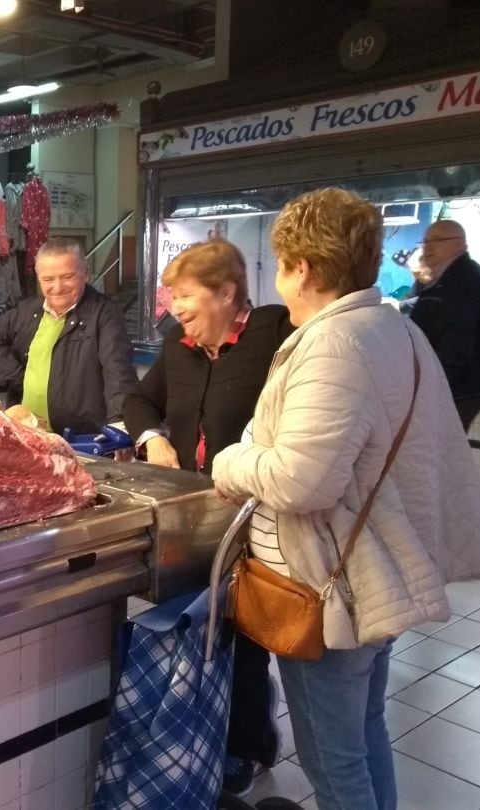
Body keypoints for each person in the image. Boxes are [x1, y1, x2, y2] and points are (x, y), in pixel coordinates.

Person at [212, 188, 480, 810]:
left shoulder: (333, 344)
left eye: (281, 264)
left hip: (331, 586)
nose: (278, 280)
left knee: (331, 758)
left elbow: (301, 480)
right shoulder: (394, 328)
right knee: (364, 734)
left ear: (302, 267)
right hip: (376, 568)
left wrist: (231, 459)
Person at [122, 238, 292, 796]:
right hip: (194, 513)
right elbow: (139, 402)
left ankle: (245, 743)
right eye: (172, 296)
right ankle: (206, 727)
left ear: (226, 292)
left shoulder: (275, 335)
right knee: (204, 627)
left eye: (185, 296)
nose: (175, 308)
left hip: (256, 513)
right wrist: (152, 438)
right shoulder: (180, 345)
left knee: (246, 632)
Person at [0, 237, 138, 435]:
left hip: (82, 438)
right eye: (48, 279)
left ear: (85, 274)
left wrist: (119, 423)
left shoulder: (104, 314)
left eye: (67, 276)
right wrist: (17, 378)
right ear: (39, 279)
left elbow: (118, 370)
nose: (58, 287)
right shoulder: (27, 311)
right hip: (28, 432)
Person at [405, 219, 480, 430]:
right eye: (425, 241)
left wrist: (432, 389)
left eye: (438, 240)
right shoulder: (442, 277)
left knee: (439, 445)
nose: (428, 247)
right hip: (449, 384)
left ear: (460, 244)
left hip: (457, 388)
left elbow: (457, 345)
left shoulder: (463, 281)